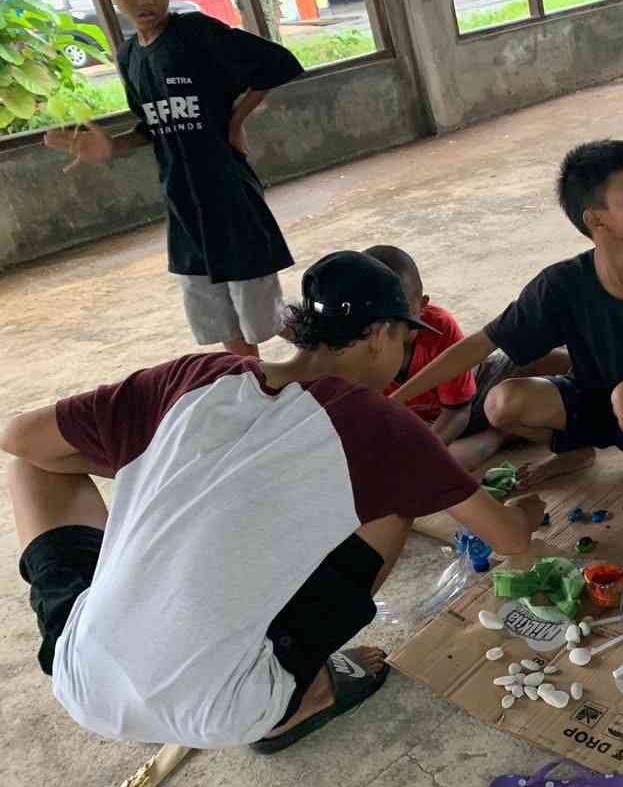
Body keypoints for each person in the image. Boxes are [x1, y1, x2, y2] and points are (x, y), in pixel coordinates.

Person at [3, 250, 546, 753]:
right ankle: (302, 697)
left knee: (34, 469)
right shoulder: (381, 425)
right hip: (231, 708)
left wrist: (158, 475)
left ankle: (135, 620)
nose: (402, 363)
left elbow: (20, 437)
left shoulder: (195, 376)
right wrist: (530, 509)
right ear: (378, 334)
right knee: (391, 507)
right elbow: (510, 540)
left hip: (84, 682)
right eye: (404, 344)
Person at [389, 140, 623, 488]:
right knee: (501, 402)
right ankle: (574, 452)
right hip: (590, 398)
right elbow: (481, 343)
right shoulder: (562, 284)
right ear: (596, 218)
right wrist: (394, 401)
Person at [44, 0, 304, 358]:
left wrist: (235, 122)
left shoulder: (196, 34)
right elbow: (151, 127)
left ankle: (334, 346)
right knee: (218, 314)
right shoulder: (130, 57)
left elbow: (278, 64)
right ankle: (255, 388)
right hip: (182, 205)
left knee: (263, 314)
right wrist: (110, 146)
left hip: (229, 197)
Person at [364, 244, 573, 473]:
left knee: (564, 363)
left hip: (470, 396)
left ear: (422, 305)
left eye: (399, 315)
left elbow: (457, 411)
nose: (384, 327)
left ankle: (512, 427)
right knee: (436, 466)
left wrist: (426, 448)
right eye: (372, 315)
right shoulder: (355, 343)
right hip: (426, 423)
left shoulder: (439, 326)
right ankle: (501, 433)